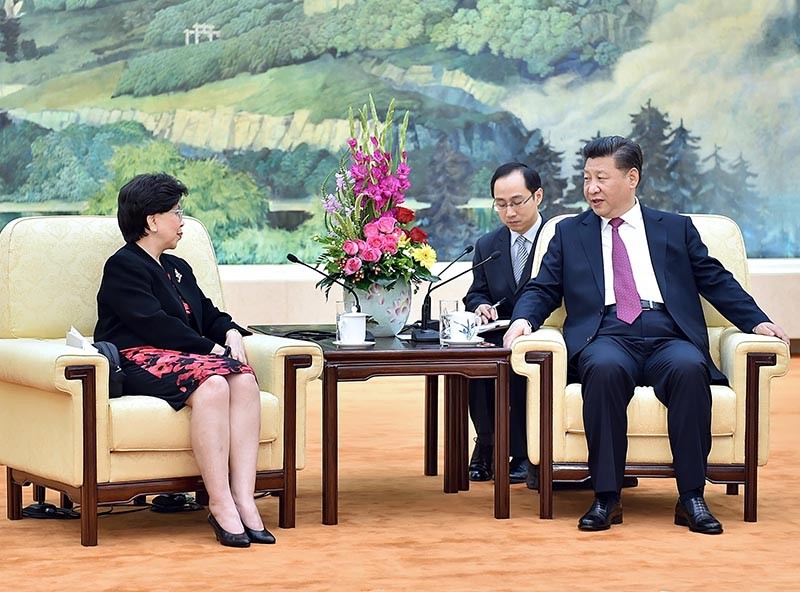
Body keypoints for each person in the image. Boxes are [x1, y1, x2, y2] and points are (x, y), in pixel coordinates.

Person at [503, 136, 789, 534]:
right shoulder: (569, 233)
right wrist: (523, 320)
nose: (591, 188)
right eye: (587, 178)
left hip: (666, 333)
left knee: (691, 370)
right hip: (605, 334)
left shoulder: (673, 228)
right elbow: (542, 288)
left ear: (631, 177)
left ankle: (691, 497)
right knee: (602, 371)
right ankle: (607, 497)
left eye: (601, 178)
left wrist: (757, 320)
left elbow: (715, 280)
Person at [94, 173, 274, 548]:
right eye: (176, 212)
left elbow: (209, 315)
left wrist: (230, 333)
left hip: (184, 357)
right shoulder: (123, 266)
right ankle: (220, 503)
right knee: (212, 384)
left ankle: (244, 497)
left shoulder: (178, 268)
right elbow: (152, 324)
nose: (182, 221)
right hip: (136, 358)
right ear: (151, 221)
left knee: (242, 378)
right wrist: (210, 351)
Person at [463, 162, 544, 486]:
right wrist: (480, 305)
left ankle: (524, 453)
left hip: (540, 333)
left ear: (537, 196)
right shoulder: (487, 245)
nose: (509, 211)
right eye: (500, 204)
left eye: (517, 201)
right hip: (498, 334)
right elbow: (476, 292)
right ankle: (487, 444)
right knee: (473, 365)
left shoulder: (557, 238)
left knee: (524, 368)